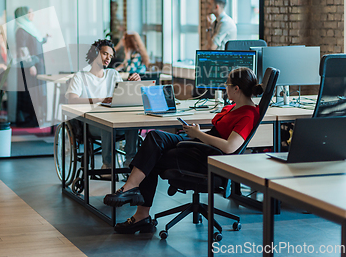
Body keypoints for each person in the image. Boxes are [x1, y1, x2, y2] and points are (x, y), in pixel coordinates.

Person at [103, 67, 262, 234]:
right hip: (199, 145)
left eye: (227, 84)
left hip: (206, 158)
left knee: (153, 155)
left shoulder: (247, 115)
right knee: (155, 137)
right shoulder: (234, 107)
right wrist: (198, 134)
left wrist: (199, 134)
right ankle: (132, 191)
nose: (225, 87)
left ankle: (138, 209)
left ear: (236, 89)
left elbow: (230, 147)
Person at [65, 39, 141, 172]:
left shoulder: (112, 74)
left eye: (110, 56)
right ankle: (108, 166)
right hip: (91, 124)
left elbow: (122, 97)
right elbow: (72, 99)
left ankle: (130, 164)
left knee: (132, 125)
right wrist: (100, 99)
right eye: (105, 54)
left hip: (115, 121)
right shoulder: (80, 77)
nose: (108, 58)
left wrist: (132, 84)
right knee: (107, 124)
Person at [14, 6, 50, 127]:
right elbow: (22, 50)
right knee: (31, 92)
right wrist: (30, 65)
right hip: (30, 67)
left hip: (36, 65)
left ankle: (36, 117)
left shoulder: (29, 28)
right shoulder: (21, 30)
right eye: (29, 12)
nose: (32, 14)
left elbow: (35, 42)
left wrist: (45, 38)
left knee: (37, 90)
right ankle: (30, 118)